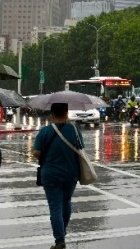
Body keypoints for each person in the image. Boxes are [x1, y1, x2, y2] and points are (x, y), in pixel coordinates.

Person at [33, 103, 83, 249]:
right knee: (66, 202)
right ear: (67, 113)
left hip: (51, 174)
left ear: (52, 114)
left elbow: (36, 153)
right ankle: (62, 233)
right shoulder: (74, 130)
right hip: (71, 173)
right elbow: (81, 149)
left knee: (55, 207)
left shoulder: (45, 131)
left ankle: (59, 240)